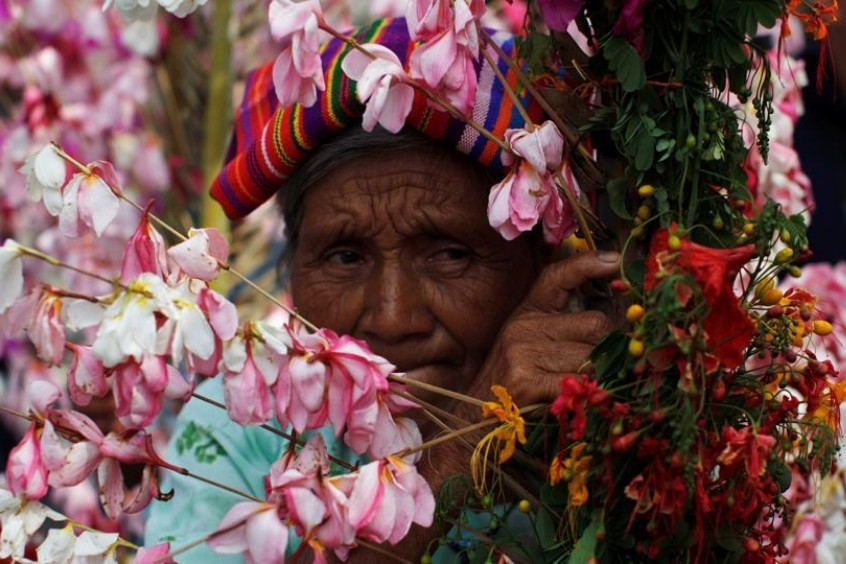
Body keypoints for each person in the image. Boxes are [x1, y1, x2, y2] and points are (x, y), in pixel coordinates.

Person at [144, 17, 619, 562]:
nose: (393, 319)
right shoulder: (246, 417)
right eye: (345, 257)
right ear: (294, 263)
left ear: (546, 258)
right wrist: (460, 447)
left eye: (450, 254)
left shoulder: (618, 417)